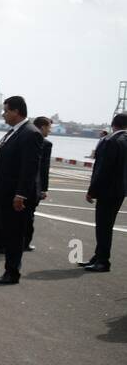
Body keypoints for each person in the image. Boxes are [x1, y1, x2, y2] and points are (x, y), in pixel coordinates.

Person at [0, 95, 42, 284]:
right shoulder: (13, 132)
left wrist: (21, 194)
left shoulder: (31, 133)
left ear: (16, 111)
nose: (3, 115)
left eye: (6, 111)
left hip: (14, 196)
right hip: (1, 194)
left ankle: (12, 272)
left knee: (13, 236)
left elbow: (29, 168)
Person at [82, 112, 127, 273]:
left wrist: (91, 190)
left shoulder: (111, 141)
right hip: (120, 190)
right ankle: (98, 255)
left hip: (107, 190)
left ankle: (103, 260)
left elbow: (102, 169)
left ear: (113, 124)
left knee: (103, 226)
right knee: (106, 225)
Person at [25, 116, 54, 250]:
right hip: (34, 186)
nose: (50, 130)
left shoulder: (24, 137)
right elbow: (44, 168)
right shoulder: (46, 144)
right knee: (29, 216)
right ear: (42, 127)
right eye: (49, 127)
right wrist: (44, 189)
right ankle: (25, 242)